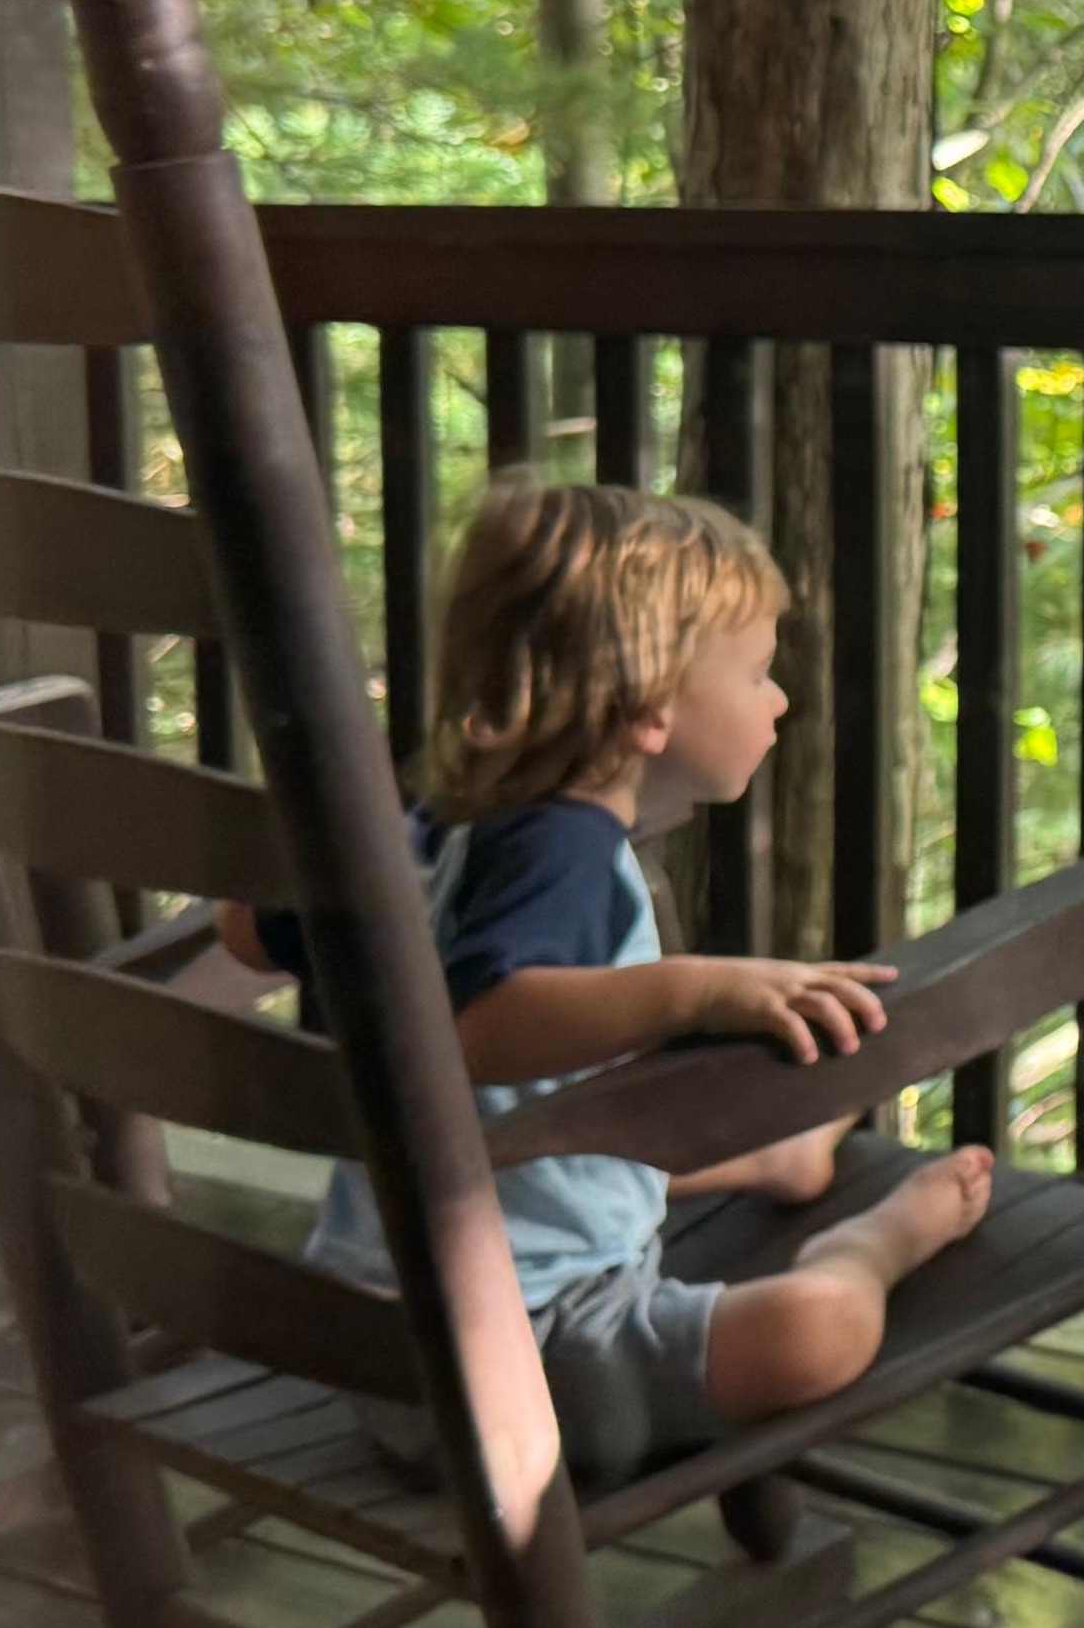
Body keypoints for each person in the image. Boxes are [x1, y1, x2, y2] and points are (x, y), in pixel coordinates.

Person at [231, 476, 1001, 1484]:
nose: (780, 699)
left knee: (541, 1131)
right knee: (817, 1333)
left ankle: (770, 1164)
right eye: (760, 672)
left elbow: (248, 930)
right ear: (648, 704)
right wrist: (695, 989)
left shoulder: (424, 827)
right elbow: (483, 1028)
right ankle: (874, 1242)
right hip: (515, 1357)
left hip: (363, 1324)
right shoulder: (563, 851)